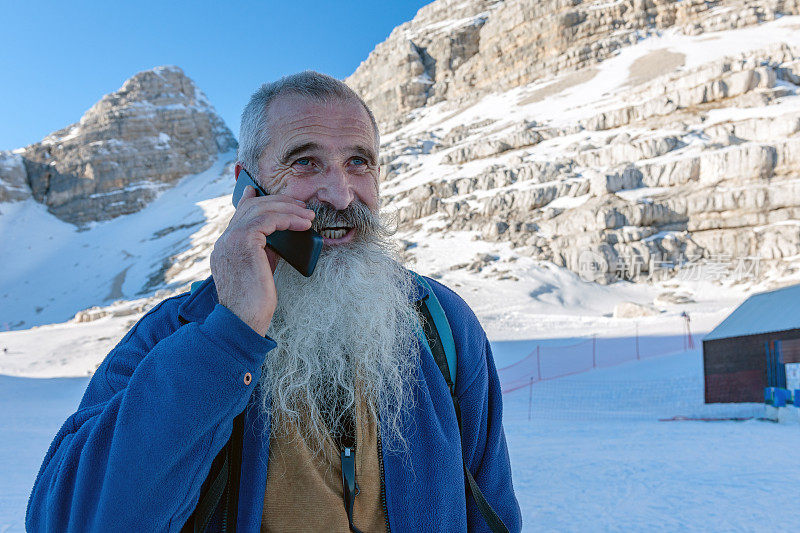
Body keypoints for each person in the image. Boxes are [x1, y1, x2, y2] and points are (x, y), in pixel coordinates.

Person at [26, 71, 521, 532]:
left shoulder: (441, 326)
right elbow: (69, 519)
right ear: (247, 186)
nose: (342, 195)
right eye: (306, 162)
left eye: (359, 163)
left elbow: (493, 512)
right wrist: (230, 336)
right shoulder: (176, 334)